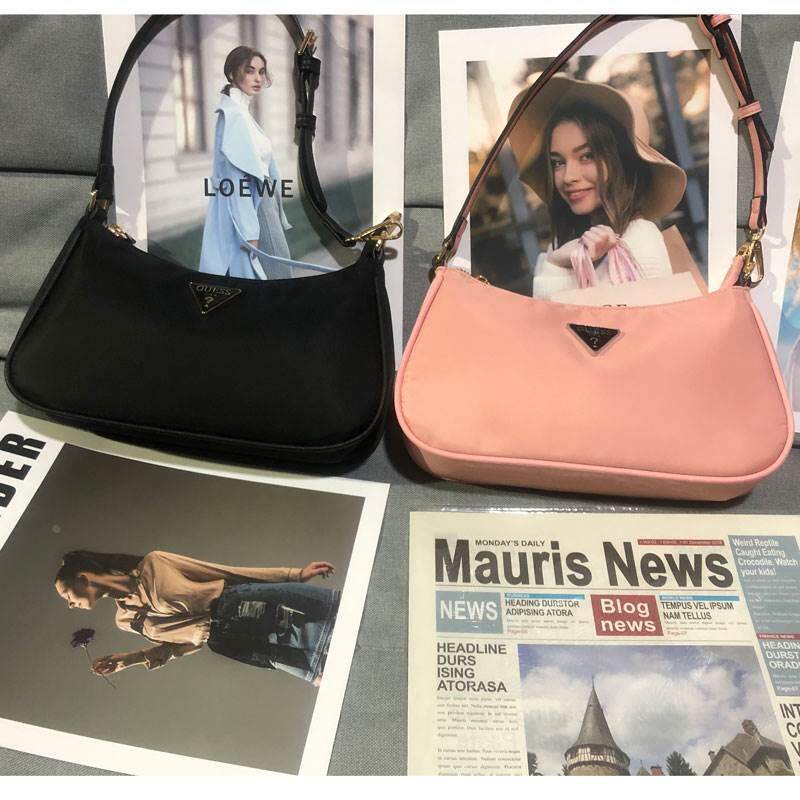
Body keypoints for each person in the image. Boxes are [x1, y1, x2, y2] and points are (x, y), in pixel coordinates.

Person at [507, 74, 688, 299]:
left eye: (586, 156)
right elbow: (546, 319)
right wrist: (556, 263)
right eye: (558, 163)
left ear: (619, 161)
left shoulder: (639, 238)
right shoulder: (562, 246)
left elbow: (642, 322)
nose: (568, 177)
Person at [55, 550, 339, 685]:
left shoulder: (155, 563)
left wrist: (294, 574)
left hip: (248, 605)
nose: (69, 605)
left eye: (67, 595)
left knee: (335, 630)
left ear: (83, 578)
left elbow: (225, 572)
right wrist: (128, 660)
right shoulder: (125, 620)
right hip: (228, 642)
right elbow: (178, 646)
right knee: (322, 674)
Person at [198, 45, 316, 280]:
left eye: (261, 72)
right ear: (232, 73)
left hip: (262, 201)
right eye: (250, 71)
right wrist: (250, 232)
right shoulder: (235, 117)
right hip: (257, 205)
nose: (258, 78)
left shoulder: (240, 113)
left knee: (263, 277)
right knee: (278, 276)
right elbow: (236, 181)